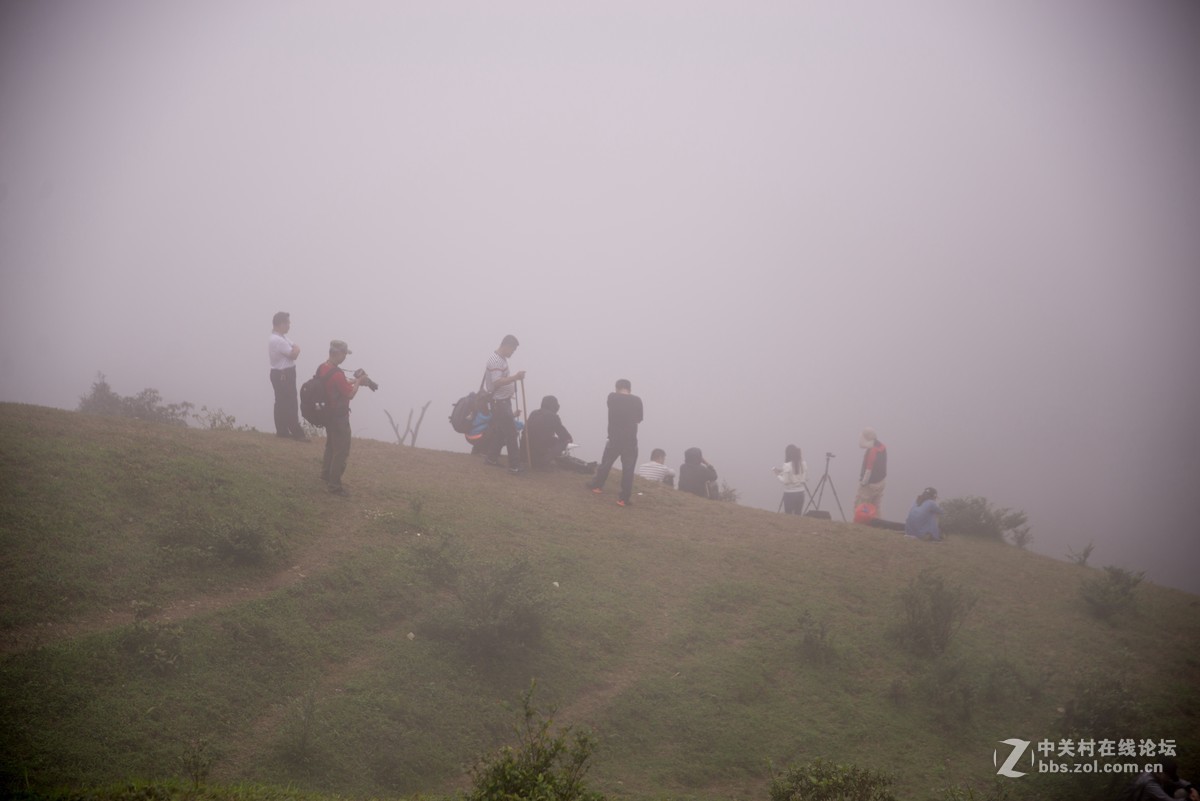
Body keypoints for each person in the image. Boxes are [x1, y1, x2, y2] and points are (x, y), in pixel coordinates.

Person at [316, 340, 367, 495]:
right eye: (345, 353)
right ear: (338, 353)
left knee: (331, 445)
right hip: (339, 417)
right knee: (341, 451)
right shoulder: (337, 374)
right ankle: (335, 485)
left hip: (328, 414)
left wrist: (350, 381)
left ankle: (325, 474)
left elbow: (333, 385)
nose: (345, 357)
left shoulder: (322, 368)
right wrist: (358, 382)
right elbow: (349, 394)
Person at [586, 379, 643, 506]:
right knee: (628, 470)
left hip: (614, 438)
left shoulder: (612, 397)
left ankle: (597, 486)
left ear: (616, 388)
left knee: (606, 463)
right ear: (630, 389)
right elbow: (639, 419)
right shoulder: (637, 400)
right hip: (630, 440)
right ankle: (623, 499)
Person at [483, 334, 526, 473]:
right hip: (500, 403)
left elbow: (500, 380)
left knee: (502, 432)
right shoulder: (496, 361)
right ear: (507, 346)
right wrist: (515, 377)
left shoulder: (501, 359)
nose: (513, 352)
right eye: (513, 349)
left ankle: (491, 458)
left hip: (502, 401)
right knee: (511, 433)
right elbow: (497, 381)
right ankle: (514, 466)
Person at [268, 311, 307, 440]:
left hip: (282, 373)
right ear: (280, 324)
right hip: (283, 374)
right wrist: (297, 349)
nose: (289, 325)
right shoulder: (278, 340)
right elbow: (294, 354)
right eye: (287, 323)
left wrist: (296, 348)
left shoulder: (281, 337)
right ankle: (296, 432)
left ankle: (282, 430)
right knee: (289, 402)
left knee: (281, 402)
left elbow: (294, 346)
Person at [524, 395, 573, 470]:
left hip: (525, 454)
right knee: (566, 441)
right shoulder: (553, 417)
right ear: (553, 405)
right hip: (537, 458)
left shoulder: (533, 413)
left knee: (549, 440)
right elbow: (566, 437)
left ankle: (543, 458)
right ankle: (544, 461)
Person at [1119, 758, 1197, 801]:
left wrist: (1191, 788)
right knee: (1181, 794)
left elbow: (1177, 781)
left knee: (1182, 792)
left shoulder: (1157, 771)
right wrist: (1190, 800)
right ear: (1160, 772)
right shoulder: (1149, 784)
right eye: (1168, 776)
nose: (1169, 778)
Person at [855, 427, 888, 514]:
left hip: (870, 484)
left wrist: (863, 483)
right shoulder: (881, 447)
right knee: (875, 507)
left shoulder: (872, 450)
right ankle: (876, 523)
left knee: (861, 506)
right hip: (880, 482)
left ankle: (860, 524)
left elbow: (868, 470)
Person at [773, 444, 808, 514]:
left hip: (790, 494)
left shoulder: (787, 465)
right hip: (801, 493)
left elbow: (785, 481)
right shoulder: (803, 464)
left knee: (788, 516)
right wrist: (782, 471)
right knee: (798, 515)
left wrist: (777, 475)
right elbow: (800, 476)